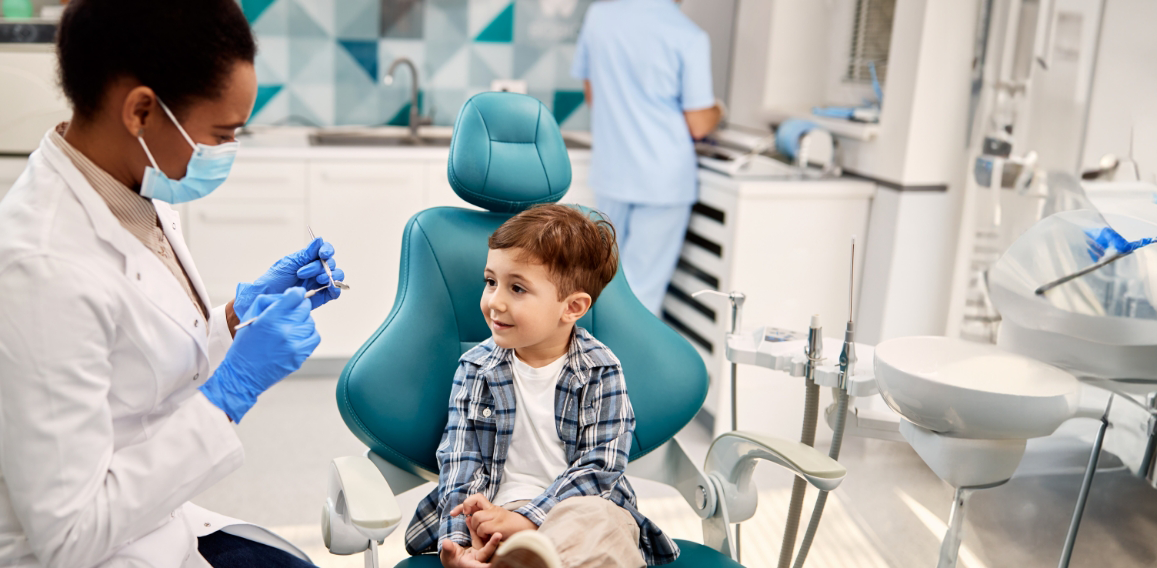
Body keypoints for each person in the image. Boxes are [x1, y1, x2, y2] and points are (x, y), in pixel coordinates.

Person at [0, 1, 345, 566]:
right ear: (141, 111)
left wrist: (233, 318)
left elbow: (133, 359)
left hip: (158, 522)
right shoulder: (41, 267)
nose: (226, 151)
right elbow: (68, 538)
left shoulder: (132, 187)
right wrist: (230, 393)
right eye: (221, 132)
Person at [403, 205, 677, 568]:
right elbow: (459, 462)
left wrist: (531, 519)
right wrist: (459, 542)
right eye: (490, 282)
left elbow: (600, 468)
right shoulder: (475, 369)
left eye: (516, 288)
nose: (494, 301)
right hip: (501, 515)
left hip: (584, 513)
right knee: (496, 541)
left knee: (600, 527)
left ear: (572, 307)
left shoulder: (600, 369)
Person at [571, 0, 723, 316]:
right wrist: (718, 110)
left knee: (600, 284)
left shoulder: (599, 16)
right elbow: (698, 123)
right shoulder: (688, 35)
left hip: (612, 172)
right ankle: (626, 365)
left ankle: (593, 362)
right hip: (662, 180)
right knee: (642, 293)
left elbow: (591, 94)